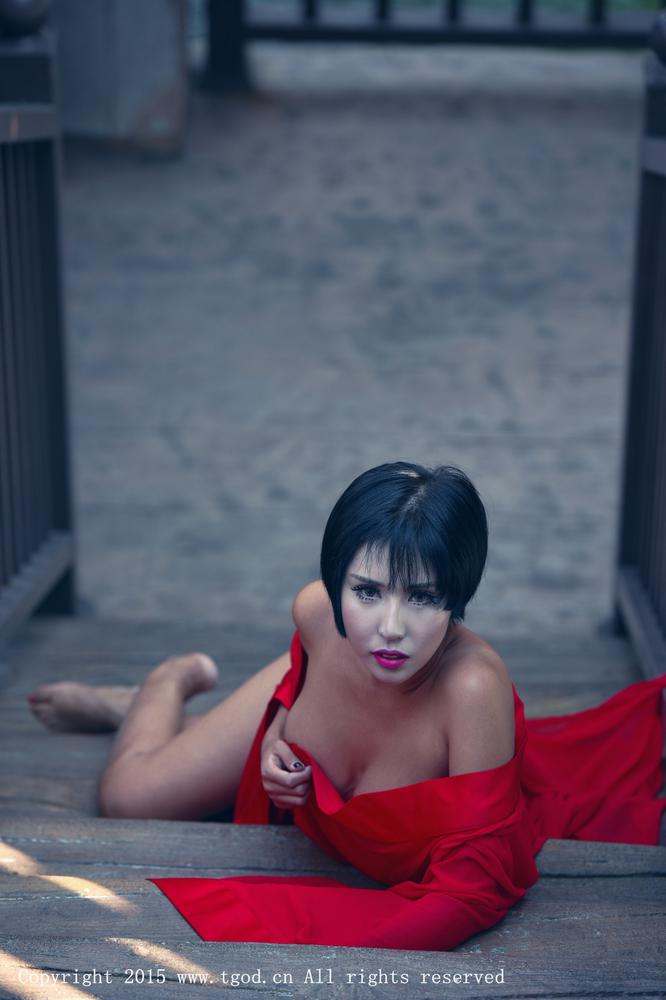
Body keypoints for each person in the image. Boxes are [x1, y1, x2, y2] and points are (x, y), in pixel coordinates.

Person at [28, 461, 666, 951]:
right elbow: (292, 695)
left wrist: (299, 931)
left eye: (422, 597)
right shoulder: (318, 613)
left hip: (462, 755)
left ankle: (150, 715)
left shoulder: (472, 690)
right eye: (366, 591)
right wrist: (276, 741)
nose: (390, 628)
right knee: (129, 798)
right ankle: (165, 683)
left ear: (458, 598)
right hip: (322, 678)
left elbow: (473, 890)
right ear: (337, 584)